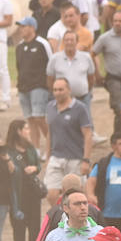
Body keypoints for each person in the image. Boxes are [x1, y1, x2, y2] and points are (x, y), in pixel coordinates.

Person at [44, 77, 94, 206]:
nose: (57, 92)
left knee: (76, 195)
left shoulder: (80, 108)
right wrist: (48, 157)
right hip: (56, 157)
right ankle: (59, 220)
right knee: (51, 195)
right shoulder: (50, 107)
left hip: (75, 159)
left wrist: (86, 160)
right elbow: (50, 133)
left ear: (69, 90)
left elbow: (88, 135)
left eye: (61, 89)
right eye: (55, 90)